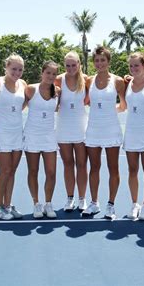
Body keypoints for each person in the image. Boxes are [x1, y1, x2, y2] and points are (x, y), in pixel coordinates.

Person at [82, 46, 127, 220]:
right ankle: (94, 203)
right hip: (93, 129)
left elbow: (123, 106)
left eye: (103, 60)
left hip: (111, 129)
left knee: (113, 168)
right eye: (97, 60)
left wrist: (109, 110)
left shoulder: (118, 81)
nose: (100, 63)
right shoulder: (88, 81)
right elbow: (86, 101)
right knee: (94, 167)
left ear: (108, 61)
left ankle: (111, 205)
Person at [0, 54, 27, 220]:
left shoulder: (23, 84)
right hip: (1, 133)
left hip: (17, 132)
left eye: (20, 69)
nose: (16, 72)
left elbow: (22, 104)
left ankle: (8, 205)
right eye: (13, 69)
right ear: (6, 68)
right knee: (5, 170)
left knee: (13, 171)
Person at [23, 61, 61, 219]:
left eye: (54, 74)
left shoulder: (57, 91)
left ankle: (48, 203)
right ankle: (36, 203)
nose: (51, 76)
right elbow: (17, 106)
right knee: (33, 171)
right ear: (42, 73)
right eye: (48, 73)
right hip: (32, 135)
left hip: (49, 137)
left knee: (51, 173)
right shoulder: (31, 89)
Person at [123, 52, 144, 221]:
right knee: (132, 170)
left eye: (137, 65)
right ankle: (134, 204)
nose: (134, 68)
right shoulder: (126, 82)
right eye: (131, 65)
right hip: (131, 132)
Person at [55, 51, 88, 212]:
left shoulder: (87, 80)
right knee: (68, 164)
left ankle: (82, 199)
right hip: (63, 128)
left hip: (81, 128)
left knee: (82, 165)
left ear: (79, 64)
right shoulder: (58, 80)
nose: (70, 68)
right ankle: (70, 198)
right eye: (67, 65)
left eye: (73, 65)